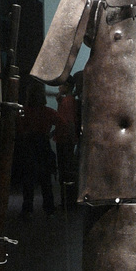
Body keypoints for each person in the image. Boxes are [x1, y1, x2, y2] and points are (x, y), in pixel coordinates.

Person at [13, 82, 62, 220]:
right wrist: (51, 134)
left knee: (28, 179)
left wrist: (25, 133)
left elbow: (19, 126)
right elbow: (62, 123)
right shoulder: (48, 112)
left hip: (29, 145)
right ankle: (49, 209)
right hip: (43, 145)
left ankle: (27, 209)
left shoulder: (25, 111)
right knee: (45, 179)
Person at [54, 76, 79, 209]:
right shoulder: (68, 100)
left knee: (65, 171)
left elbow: (68, 122)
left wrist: (70, 138)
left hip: (65, 140)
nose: (59, 87)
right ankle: (68, 201)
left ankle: (68, 202)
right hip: (65, 139)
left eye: (61, 85)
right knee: (67, 170)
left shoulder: (67, 102)